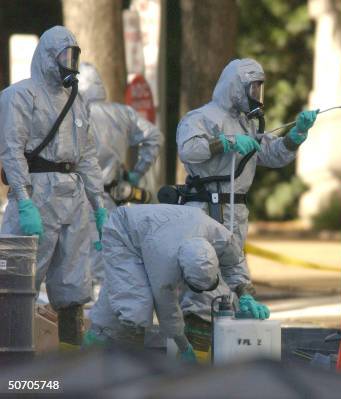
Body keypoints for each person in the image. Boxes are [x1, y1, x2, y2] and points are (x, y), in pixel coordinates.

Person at [176, 58, 317, 348]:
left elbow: (272, 154)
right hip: (207, 207)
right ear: (235, 88)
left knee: (231, 281)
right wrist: (224, 143)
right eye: (252, 87)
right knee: (203, 282)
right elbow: (189, 150)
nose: (257, 94)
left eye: (259, 88)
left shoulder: (248, 123)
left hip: (235, 210)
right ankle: (197, 356)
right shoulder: (203, 117)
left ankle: (222, 360)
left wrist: (297, 135)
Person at [0, 26, 106, 350]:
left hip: (73, 199)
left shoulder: (77, 101)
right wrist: (22, 199)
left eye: (73, 55)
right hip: (36, 193)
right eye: (63, 55)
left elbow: (87, 155)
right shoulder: (21, 95)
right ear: (47, 56)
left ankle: (68, 362)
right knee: (18, 283)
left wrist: (98, 202)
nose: (69, 62)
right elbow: (11, 148)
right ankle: (11, 360)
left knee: (73, 285)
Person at [84, 204, 269, 362]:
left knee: (124, 294)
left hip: (150, 232)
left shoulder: (217, 234)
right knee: (135, 308)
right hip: (122, 233)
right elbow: (167, 309)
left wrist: (245, 294)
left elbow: (234, 261)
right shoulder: (165, 261)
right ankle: (128, 366)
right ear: (182, 271)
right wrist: (184, 346)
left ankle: (94, 343)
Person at [78, 62, 163, 282]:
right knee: (107, 259)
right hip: (111, 198)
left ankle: (83, 312)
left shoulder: (73, 114)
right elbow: (154, 137)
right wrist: (137, 172)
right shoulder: (122, 113)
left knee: (76, 264)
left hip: (76, 196)